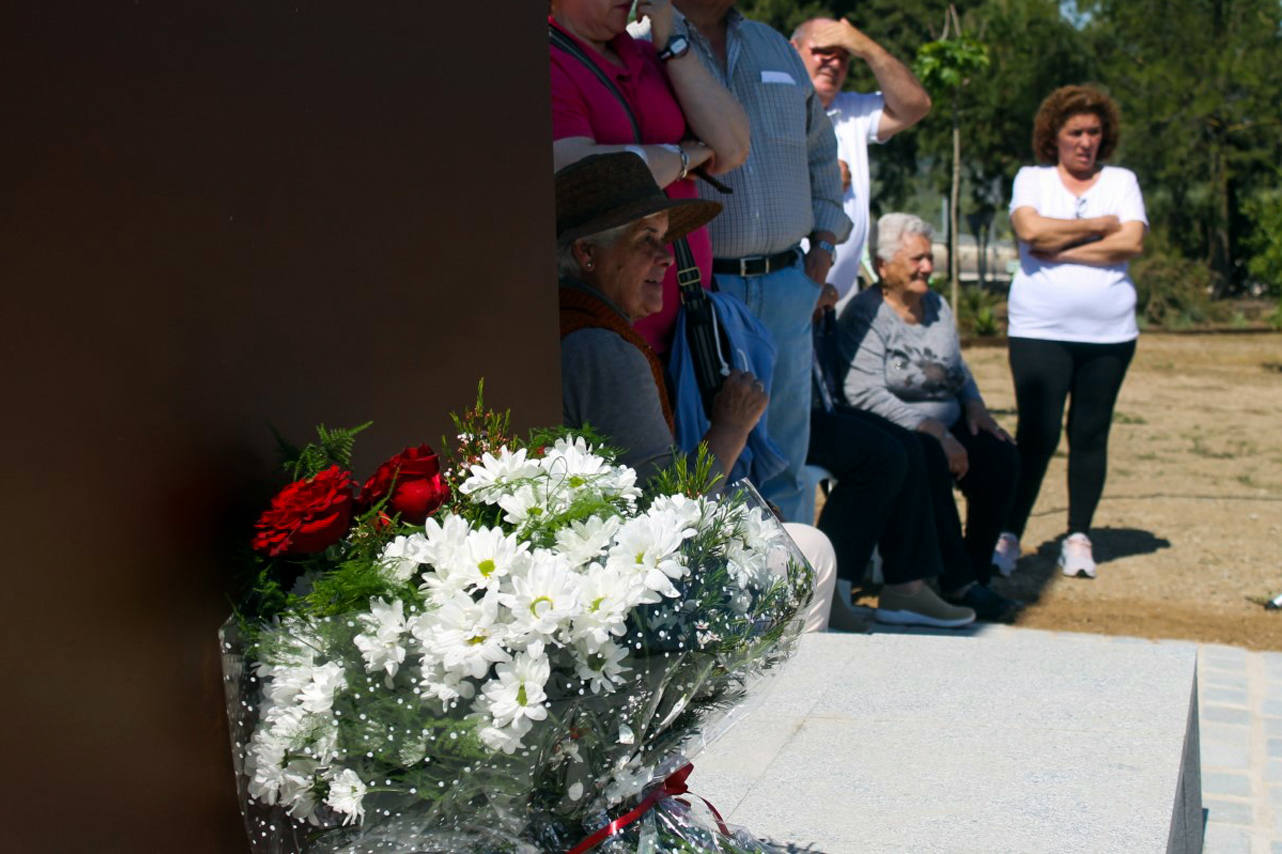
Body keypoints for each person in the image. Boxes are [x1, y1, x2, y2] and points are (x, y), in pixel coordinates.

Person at [555, 152, 839, 632]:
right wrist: (731, 428)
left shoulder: (575, 327)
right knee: (811, 551)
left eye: (664, 239)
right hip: (625, 603)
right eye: (646, 239)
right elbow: (668, 515)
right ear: (587, 254)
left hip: (603, 578)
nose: (666, 257)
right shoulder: (602, 351)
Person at [667, 0, 853, 523]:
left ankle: (790, 575)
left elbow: (822, 151)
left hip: (787, 284)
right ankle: (714, 574)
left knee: (787, 463)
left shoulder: (777, 49)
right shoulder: (648, 42)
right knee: (709, 452)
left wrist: (821, 251)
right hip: (700, 292)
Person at [835, 213, 1020, 621]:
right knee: (928, 455)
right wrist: (933, 430)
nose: (927, 267)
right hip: (900, 428)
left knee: (1000, 456)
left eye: (930, 257)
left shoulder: (937, 306)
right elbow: (862, 392)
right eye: (917, 259)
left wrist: (975, 405)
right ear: (883, 266)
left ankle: (976, 572)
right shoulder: (864, 315)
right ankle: (957, 582)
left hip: (948, 421)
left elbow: (956, 368)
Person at [997, 85, 1147, 580]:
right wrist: (1100, 225)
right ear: (1054, 135)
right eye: (1075, 132)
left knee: (1089, 433)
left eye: (1094, 132)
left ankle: (1078, 536)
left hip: (1109, 334)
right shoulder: (1032, 179)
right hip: (1039, 329)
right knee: (1036, 434)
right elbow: (1030, 232)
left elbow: (1132, 241)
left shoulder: (1121, 181)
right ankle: (1008, 533)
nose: (1086, 142)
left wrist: (1062, 248)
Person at [549, 0, 749, 357]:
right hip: (609, 333)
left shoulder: (647, 54)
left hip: (687, 324)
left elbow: (732, 148)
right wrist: (684, 157)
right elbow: (584, 172)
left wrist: (672, 42)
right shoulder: (549, 60)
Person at [790, 16, 931, 307]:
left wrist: (867, 48)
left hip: (836, 303)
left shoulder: (852, 109)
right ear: (793, 49)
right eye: (823, 51)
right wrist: (819, 177)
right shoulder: (771, 105)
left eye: (844, 56)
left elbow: (916, 106)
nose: (834, 63)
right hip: (787, 299)